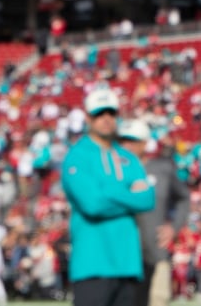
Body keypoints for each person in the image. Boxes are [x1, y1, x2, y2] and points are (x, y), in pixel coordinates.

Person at [63, 86, 156, 306]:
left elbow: (147, 199)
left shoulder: (128, 158)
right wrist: (126, 193)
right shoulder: (77, 157)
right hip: (92, 265)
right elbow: (92, 205)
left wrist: (109, 191)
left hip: (128, 264)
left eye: (110, 113)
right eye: (99, 114)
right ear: (88, 118)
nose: (106, 119)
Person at [117, 117, 186, 306]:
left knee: (157, 299)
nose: (126, 145)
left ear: (145, 143)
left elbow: (183, 198)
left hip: (156, 250)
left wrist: (174, 226)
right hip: (122, 254)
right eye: (122, 140)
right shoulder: (113, 171)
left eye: (132, 140)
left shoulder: (161, 168)